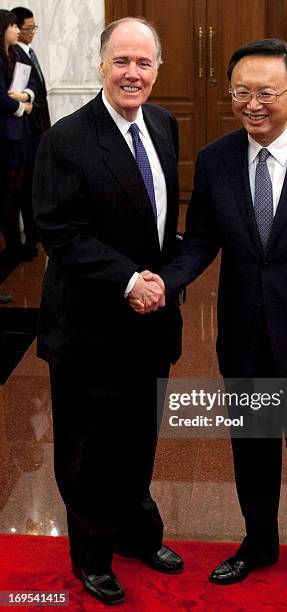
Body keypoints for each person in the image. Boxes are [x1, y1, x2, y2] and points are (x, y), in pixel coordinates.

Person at [138, 39, 287, 604]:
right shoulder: (218, 159)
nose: (253, 103)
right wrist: (162, 282)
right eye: (241, 92)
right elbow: (199, 244)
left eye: (266, 92)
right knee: (251, 446)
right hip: (244, 333)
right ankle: (258, 543)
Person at [32, 17, 183, 605]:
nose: (132, 73)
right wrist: (128, 280)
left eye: (144, 63)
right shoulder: (66, 139)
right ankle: (93, 555)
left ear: (156, 70)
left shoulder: (165, 125)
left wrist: (163, 281)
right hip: (89, 327)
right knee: (89, 450)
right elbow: (59, 232)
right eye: (122, 61)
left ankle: (135, 535)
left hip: (150, 325)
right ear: (101, 64)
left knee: (139, 439)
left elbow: (161, 225)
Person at [12, 6, 51, 255]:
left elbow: (35, 85)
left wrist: (28, 94)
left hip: (36, 122)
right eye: (28, 28)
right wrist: (24, 99)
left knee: (34, 183)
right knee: (23, 186)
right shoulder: (14, 54)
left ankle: (35, 230)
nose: (32, 32)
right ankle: (29, 234)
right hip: (24, 128)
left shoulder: (29, 51)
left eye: (34, 27)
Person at [0, 9, 34, 268]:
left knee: (18, 190)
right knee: (7, 194)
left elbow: (21, 87)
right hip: (5, 134)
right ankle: (12, 246)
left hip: (17, 132)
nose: (16, 30)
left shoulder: (13, 55)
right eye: (12, 26)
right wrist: (22, 107)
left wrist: (23, 99)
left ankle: (18, 245)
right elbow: (2, 97)